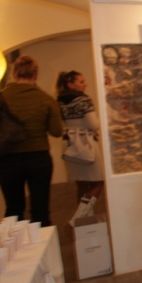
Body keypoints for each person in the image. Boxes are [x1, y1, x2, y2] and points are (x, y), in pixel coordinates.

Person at [0, 55, 63, 226]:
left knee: (13, 209)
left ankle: (15, 242)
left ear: (14, 74)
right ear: (36, 75)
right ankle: (43, 241)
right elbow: (56, 131)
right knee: (40, 210)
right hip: (39, 159)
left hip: (8, 160)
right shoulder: (46, 99)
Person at [55, 70, 104, 214]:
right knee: (98, 183)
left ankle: (85, 221)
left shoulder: (58, 101)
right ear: (70, 84)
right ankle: (77, 218)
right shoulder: (84, 100)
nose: (85, 84)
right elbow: (93, 125)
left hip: (69, 145)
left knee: (81, 185)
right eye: (81, 81)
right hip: (86, 143)